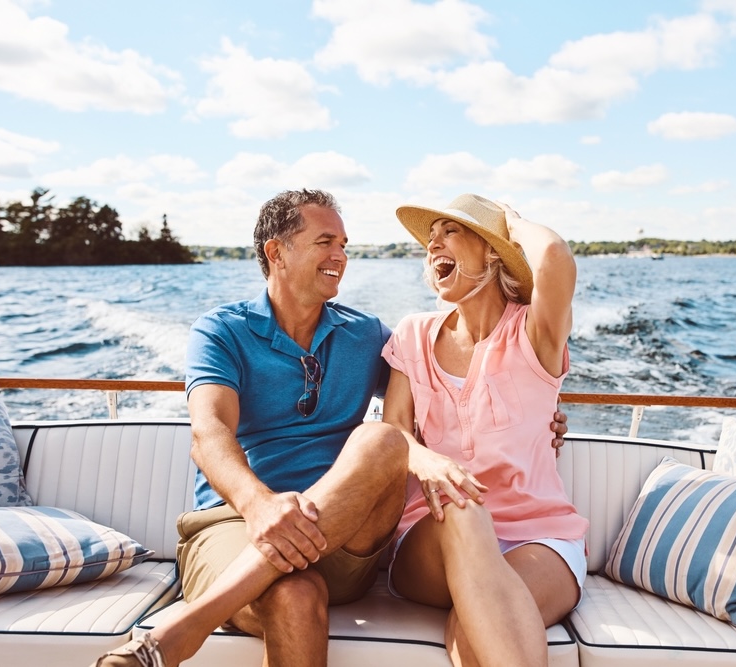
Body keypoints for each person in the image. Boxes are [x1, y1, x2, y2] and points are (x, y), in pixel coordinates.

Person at [93, 189, 569, 667]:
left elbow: (448, 392)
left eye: (344, 244)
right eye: (326, 242)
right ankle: (191, 624)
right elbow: (209, 433)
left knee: (381, 437)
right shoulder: (221, 331)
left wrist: (540, 414)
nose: (340, 257)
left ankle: (181, 630)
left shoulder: (366, 335)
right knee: (294, 596)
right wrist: (260, 506)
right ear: (276, 252)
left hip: (344, 540)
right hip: (237, 523)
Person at [381, 193, 588, 667]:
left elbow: (554, 257)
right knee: (461, 510)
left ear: (492, 251)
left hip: (539, 535)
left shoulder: (534, 333)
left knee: (474, 631)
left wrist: (509, 222)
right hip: (431, 532)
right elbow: (394, 429)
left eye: (449, 232)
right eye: (428, 240)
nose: (433, 246)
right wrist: (426, 459)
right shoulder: (411, 334)